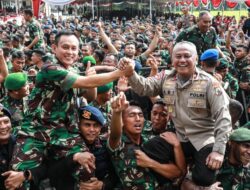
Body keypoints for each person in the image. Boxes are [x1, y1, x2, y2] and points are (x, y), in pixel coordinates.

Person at [10, 30, 133, 185]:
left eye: (74, 48)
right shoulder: (50, 68)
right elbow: (84, 83)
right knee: (18, 178)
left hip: (64, 132)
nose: (70, 52)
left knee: (87, 166)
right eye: (65, 47)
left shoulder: (73, 70)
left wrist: (91, 79)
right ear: (54, 48)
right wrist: (119, 73)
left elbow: (89, 96)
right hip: (36, 131)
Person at [125, 41, 232, 189]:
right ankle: (175, 178)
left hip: (205, 138)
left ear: (196, 59)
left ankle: (190, 178)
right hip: (180, 135)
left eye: (187, 56)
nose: (182, 60)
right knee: (148, 150)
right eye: (178, 56)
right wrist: (131, 73)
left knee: (203, 177)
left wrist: (218, 151)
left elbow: (223, 117)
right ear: (172, 59)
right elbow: (144, 88)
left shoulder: (209, 82)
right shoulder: (165, 77)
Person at [108, 92, 186, 189]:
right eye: (132, 115)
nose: (137, 119)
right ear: (123, 121)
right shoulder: (118, 144)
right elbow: (115, 133)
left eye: (140, 115)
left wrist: (149, 162)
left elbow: (176, 172)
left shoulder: (152, 141)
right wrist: (117, 112)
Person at [47, 105, 119, 190]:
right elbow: (51, 174)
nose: (92, 129)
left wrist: (102, 185)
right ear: (79, 126)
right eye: (87, 125)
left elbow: (116, 173)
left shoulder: (105, 145)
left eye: (96, 125)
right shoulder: (65, 143)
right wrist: (74, 158)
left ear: (100, 128)